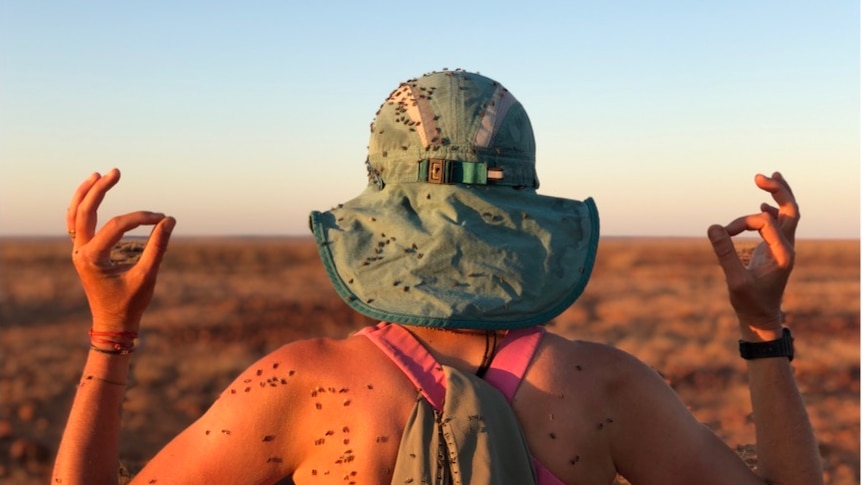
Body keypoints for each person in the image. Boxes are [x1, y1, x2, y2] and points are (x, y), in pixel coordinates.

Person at [52, 70, 823, 485]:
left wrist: (110, 336)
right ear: (523, 204)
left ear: (381, 206)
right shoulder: (604, 388)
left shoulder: (301, 385)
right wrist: (763, 330)